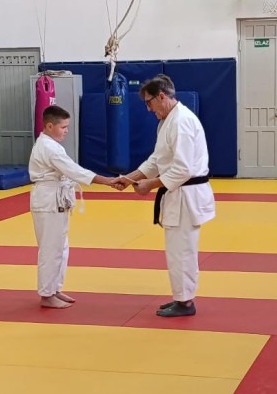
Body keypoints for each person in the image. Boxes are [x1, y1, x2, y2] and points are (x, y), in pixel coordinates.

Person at [112, 75, 215, 318]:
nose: (149, 109)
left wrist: (150, 184)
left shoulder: (181, 121)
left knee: (183, 252)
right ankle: (181, 297)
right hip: (177, 194)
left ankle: (186, 302)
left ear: (161, 96)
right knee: (176, 251)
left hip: (187, 195)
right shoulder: (167, 121)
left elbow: (183, 169)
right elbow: (157, 160)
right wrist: (130, 178)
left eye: (149, 102)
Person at [29, 105, 117, 308]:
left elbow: (72, 171)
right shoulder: (49, 148)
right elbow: (75, 171)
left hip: (55, 199)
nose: (66, 131)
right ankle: (47, 295)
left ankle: (55, 288)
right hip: (48, 200)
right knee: (51, 249)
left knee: (61, 247)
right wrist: (108, 181)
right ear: (49, 126)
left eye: (67, 127)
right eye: (63, 127)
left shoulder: (51, 145)